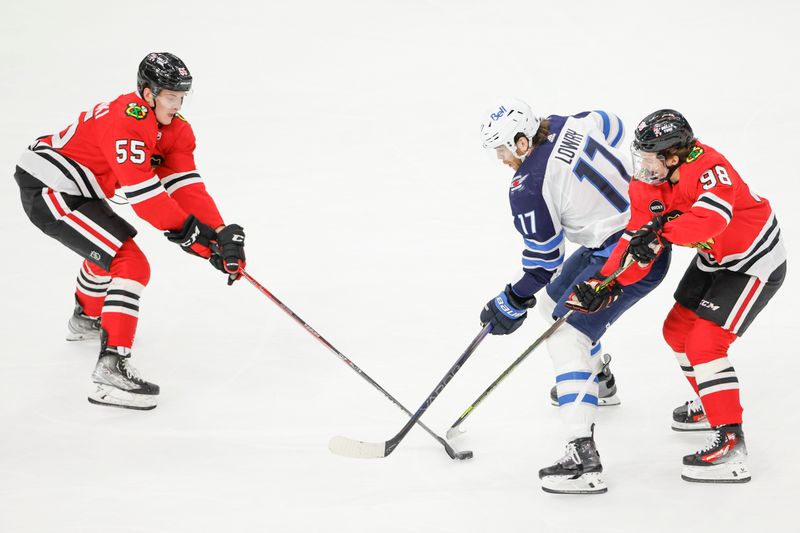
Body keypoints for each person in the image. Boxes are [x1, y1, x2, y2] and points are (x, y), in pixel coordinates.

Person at [14, 52, 247, 411]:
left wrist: (219, 233)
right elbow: (147, 198)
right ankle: (110, 370)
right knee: (131, 264)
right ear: (148, 92)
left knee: (106, 248)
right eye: (170, 95)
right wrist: (195, 241)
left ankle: (85, 318)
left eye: (182, 96)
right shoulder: (127, 119)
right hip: (49, 187)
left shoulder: (176, 129)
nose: (178, 103)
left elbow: (185, 186)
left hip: (80, 190)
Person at [568, 109, 786, 483]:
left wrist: (661, 233)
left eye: (652, 158)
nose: (645, 166)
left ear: (675, 155)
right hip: (715, 259)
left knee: (705, 344)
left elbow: (712, 219)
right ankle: (710, 401)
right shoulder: (648, 185)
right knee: (677, 331)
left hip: (754, 261)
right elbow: (636, 241)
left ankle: (732, 445)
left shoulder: (710, 167)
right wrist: (606, 282)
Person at [477, 99, 670, 494]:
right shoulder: (572, 122)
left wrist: (512, 298)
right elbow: (613, 123)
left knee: (566, 337)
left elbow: (544, 262)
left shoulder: (528, 187)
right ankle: (598, 380)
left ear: (520, 141)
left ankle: (583, 457)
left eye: (502, 149)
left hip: (630, 256)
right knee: (551, 307)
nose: (500, 159)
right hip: (632, 234)